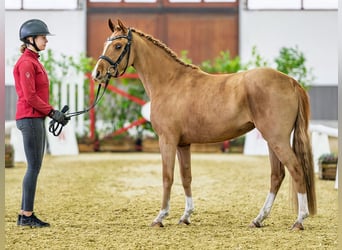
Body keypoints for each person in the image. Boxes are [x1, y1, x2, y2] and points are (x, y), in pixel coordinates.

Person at [14, 19, 69, 228]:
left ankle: (24, 214)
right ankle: (26, 215)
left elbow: (37, 95)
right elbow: (30, 96)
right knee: (33, 167)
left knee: (34, 167)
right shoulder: (27, 62)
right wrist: (53, 112)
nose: (46, 40)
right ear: (30, 39)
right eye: (42, 37)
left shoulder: (34, 60)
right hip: (30, 118)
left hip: (34, 117)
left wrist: (52, 112)